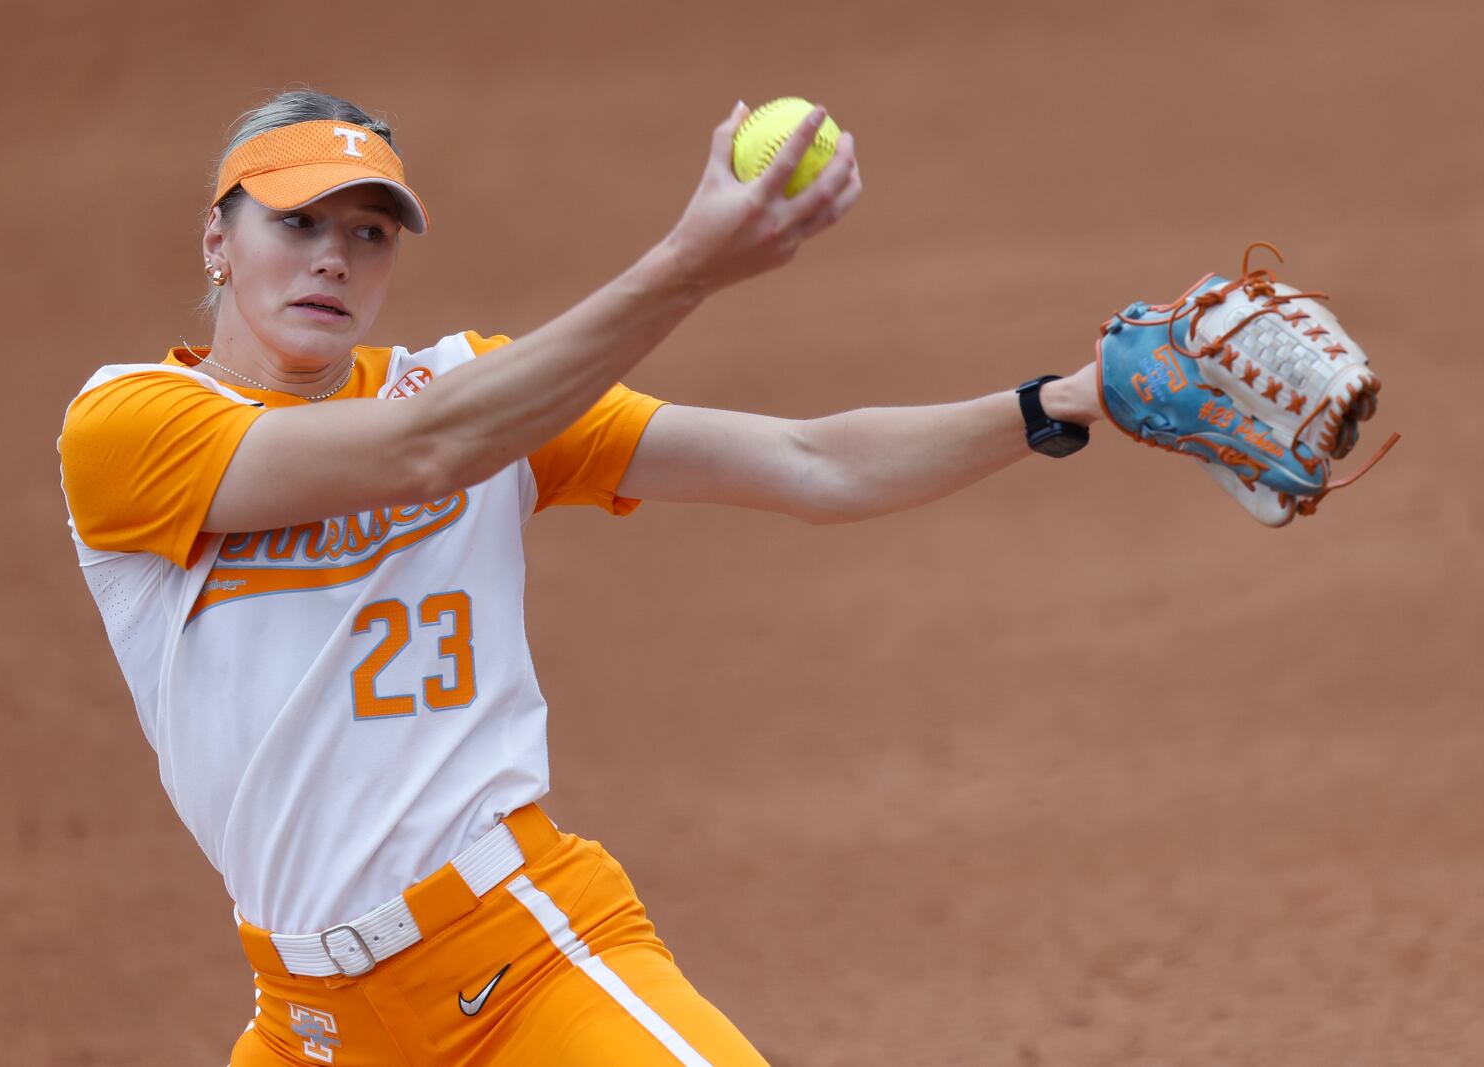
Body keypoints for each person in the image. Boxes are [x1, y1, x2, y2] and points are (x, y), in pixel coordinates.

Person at [58, 88, 1101, 1066]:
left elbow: (813, 462)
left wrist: (1057, 400)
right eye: (297, 223)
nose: (333, 258)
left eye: (367, 232)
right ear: (217, 239)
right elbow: (427, 449)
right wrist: (686, 263)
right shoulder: (129, 426)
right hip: (310, 1023)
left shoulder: (475, 389)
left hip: (523, 963)